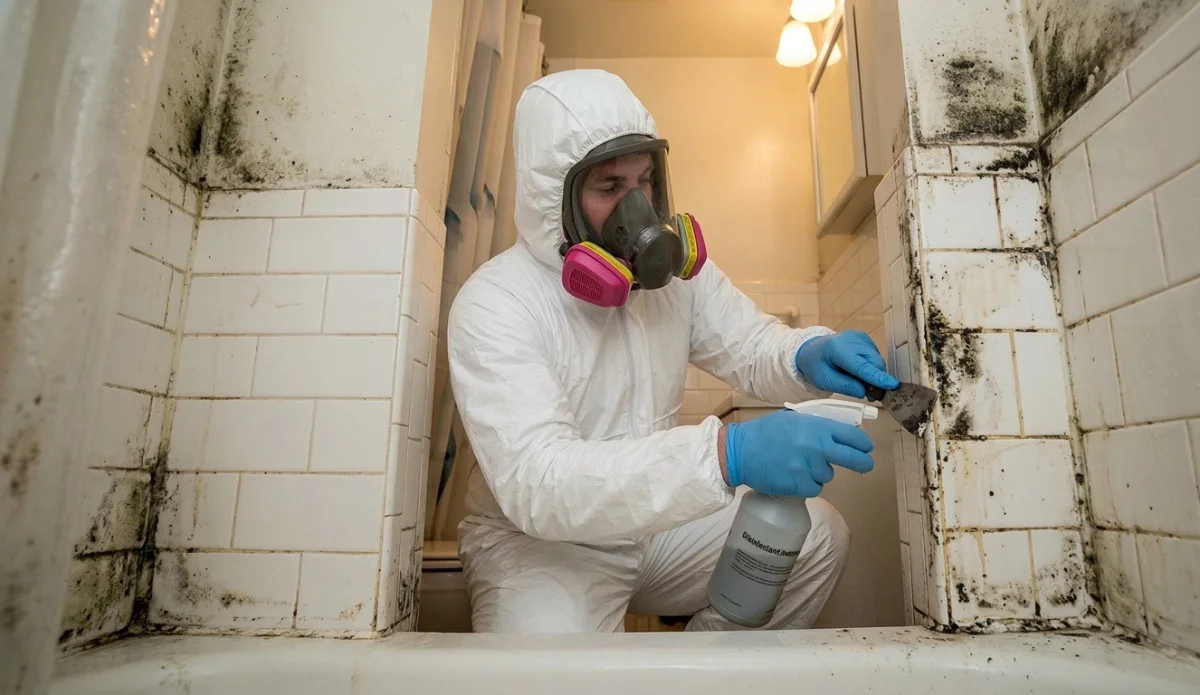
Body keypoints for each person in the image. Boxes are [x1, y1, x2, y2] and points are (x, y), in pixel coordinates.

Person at [446, 69, 899, 633]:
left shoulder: (674, 279)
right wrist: (723, 455)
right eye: (610, 189)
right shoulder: (495, 303)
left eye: (645, 183)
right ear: (552, 198)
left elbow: (752, 344)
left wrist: (808, 354)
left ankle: (703, 669)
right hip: (542, 546)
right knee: (548, 673)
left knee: (816, 540)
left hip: (654, 525)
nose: (638, 212)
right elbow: (540, 481)